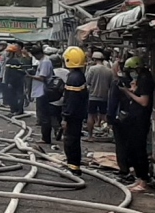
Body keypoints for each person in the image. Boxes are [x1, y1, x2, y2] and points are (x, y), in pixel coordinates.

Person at [119, 56, 155, 193]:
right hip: (135, 118)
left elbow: (144, 101)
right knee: (133, 148)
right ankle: (140, 178)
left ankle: (143, 181)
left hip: (141, 119)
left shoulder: (145, 80)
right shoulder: (142, 78)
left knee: (139, 150)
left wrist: (127, 92)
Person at [61, 46, 89, 176]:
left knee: (70, 141)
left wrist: (66, 117)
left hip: (73, 116)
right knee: (73, 140)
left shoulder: (73, 77)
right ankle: (73, 165)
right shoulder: (79, 76)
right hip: (78, 115)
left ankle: (73, 167)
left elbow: (71, 100)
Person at [107, 57, 133, 183]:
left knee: (121, 144)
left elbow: (112, 102)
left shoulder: (117, 83)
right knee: (131, 143)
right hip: (134, 117)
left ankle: (124, 170)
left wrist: (110, 118)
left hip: (120, 118)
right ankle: (132, 167)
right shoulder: (133, 81)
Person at [26, 45, 55, 144]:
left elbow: (42, 77)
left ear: (38, 54)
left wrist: (30, 76)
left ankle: (45, 138)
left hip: (43, 91)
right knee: (43, 115)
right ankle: (45, 136)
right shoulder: (43, 61)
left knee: (44, 116)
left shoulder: (45, 62)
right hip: (40, 91)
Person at [85, 51, 114, 141]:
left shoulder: (92, 69)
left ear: (94, 59)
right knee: (104, 115)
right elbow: (111, 84)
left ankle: (90, 136)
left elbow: (88, 82)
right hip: (104, 97)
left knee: (90, 115)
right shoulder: (109, 71)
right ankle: (110, 134)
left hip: (93, 96)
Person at [48, 54, 69, 141]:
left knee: (52, 115)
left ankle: (57, 128)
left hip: (53, 98)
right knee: (62, 114)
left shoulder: (51, 72)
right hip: (65, 97)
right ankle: (62, 129)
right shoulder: (67, 72)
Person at [3, 44, 26, 116]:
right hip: (16, 82)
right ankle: (15, 110)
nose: (7, 53)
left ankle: (16, 110)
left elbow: (12, 73)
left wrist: (10, 82)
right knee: (14, 96)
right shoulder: (14, 61)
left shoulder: (12, 61)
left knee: (14, 97)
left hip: (14, 82)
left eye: (8, 52)